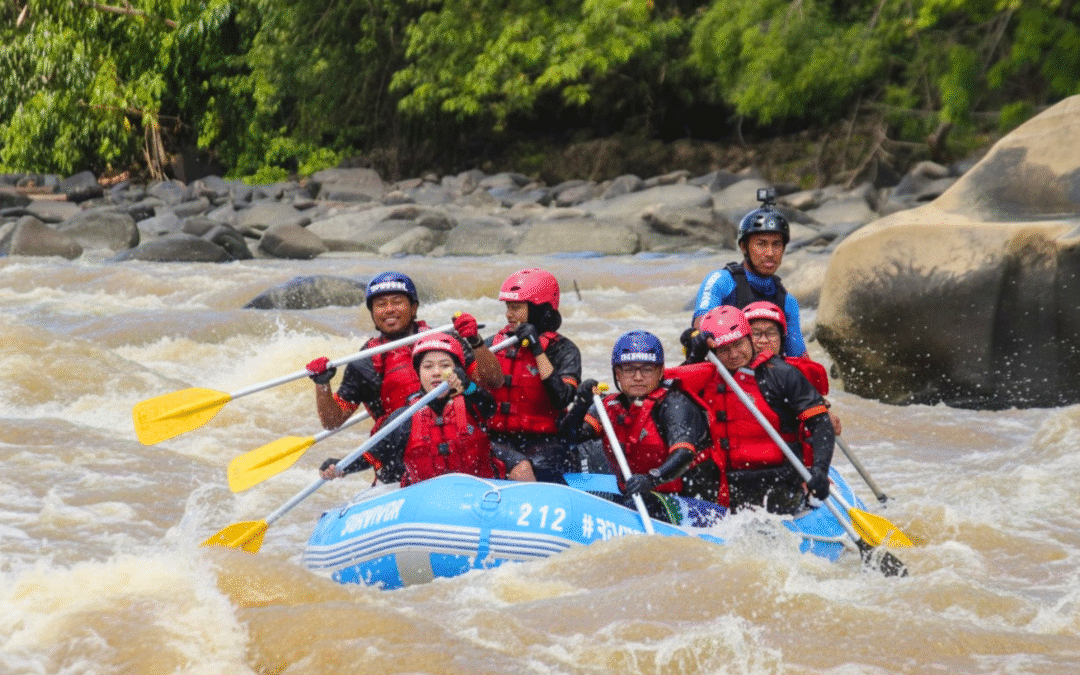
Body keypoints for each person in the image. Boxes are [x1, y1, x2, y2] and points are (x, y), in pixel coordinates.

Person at [674, 306, 834, 514]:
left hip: (778, 481)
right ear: (713, 352)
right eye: (723, 349)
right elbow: (672, 400)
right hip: (724, 483)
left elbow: (820, 422)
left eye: (738, 344)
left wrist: (820, 469)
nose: (733, 355)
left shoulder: (782, 374)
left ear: (749, 337)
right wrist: (694, 358)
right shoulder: (706, 376)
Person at [305, 271, 501, 434]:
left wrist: (476, 340)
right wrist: (322, 384)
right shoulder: (364, 362)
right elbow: (332, 421)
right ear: (372, 313)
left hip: (458, 438)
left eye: (397, 302)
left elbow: (493, 382)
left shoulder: (448, 341)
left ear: (414, 308)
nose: (389, 309)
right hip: (402, 455)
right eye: (381, 304)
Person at [319, 333, 526, 485]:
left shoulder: (473, 402)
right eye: (428, 367)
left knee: (524, 469)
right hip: (425, 503)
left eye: (445, 365)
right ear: (418, 373)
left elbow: (489, 406)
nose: (437, 373)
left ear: (458, 370)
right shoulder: (403, 418)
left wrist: (469, 386)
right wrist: (340, 466)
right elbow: (371, 455)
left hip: (481, 492)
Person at [560, 331, 720, 522]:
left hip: (689, 503)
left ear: (660, 372)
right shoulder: (607, 407)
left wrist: (651, 479)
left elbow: (684, 454)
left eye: (647, 369)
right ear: (617, 374)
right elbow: (570, 439)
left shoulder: (674, 404)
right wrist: (580, 404)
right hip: (635, 496)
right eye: (629, 370)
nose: (638, 377)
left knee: (640, 501)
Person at [485, 268, 582, 483]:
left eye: (516, 308)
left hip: (544, 440)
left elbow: (562, 398)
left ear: (539, 310)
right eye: (508, 307)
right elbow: (472, 391)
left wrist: (537, 349)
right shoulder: (491, 345)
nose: (508, 314)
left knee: (542, 468)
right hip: (497, 438)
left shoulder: (564, 350)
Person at [690, 188, 808, 357]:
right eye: (761, 244)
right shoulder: (721, 281)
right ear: (744, 247)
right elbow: (701, 326)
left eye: (777, 244)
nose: (770, 252)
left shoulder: (787, 301)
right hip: (726, 367)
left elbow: (798, 355)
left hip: (766, 376)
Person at [742, 300, 842, 435]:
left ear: (782, 340)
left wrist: (823, 414)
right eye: (756, 334)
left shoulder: (794, 374)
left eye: (771, 334)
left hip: (783, 450)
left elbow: (812, 405)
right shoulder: (727, 371)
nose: (764, 341)